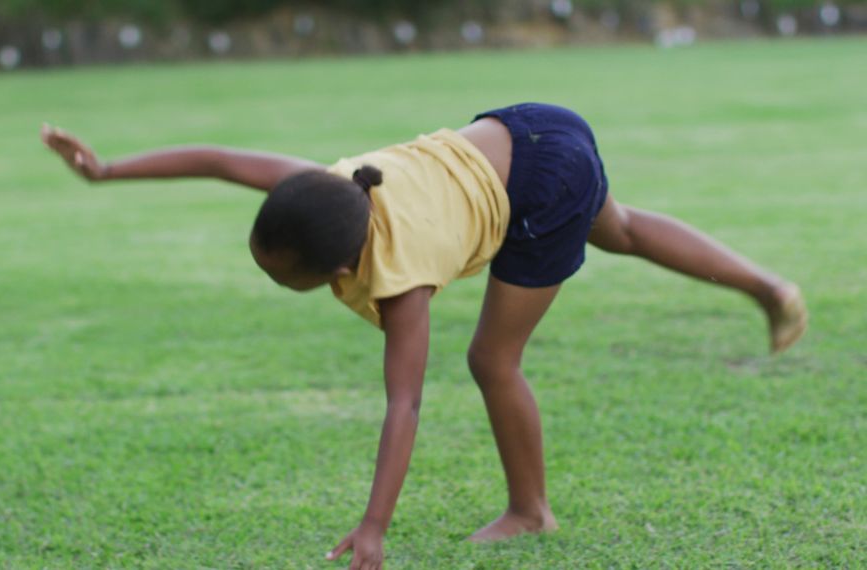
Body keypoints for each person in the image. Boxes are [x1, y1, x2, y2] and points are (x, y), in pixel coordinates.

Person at [41, 103, 807, 570]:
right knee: (626, 229)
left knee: (490, 359)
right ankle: (768, 286)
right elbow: (216, 160)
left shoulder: (400, 280)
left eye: (287, 280)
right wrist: (106, 171)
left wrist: (375, 524)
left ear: (343, 267)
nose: (277, 285)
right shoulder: (328, 187)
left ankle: (531, 511)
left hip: (536, 181)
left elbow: (404, 405)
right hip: (531, 127)